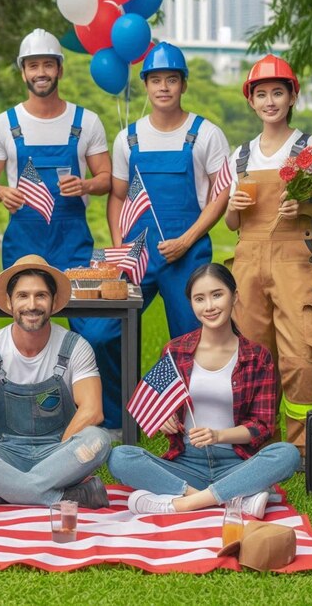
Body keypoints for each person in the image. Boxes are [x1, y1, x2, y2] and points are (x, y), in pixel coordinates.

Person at [0, 28, 116, 428]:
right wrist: (1, 192)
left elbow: (107, 177)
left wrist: (86, 185)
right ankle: (30, 420)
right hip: (23, 241)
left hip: (73, 242)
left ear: (60, 68)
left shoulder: (85, 121)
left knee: (100, 332)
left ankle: (108, 422)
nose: (40, 72)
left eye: (47, 64)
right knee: (28, 334)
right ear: (23, 72)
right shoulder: (3, 124)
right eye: (33, 65)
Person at [98, 42, 231, 433]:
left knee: (197, 340)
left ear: (183, 85)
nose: (163, 87)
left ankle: (200, 424)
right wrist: (122, 245)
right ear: (146, 86)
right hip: (138, 255)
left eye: (171, 79)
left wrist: (187, 240)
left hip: (188, 257)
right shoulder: (129, 138)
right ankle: (118, 418)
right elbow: (118, 195)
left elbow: (220, 195)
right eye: (156, 80)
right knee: (102, 330)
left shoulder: (205, 133)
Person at [108, 263, 300, 518]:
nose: (209, 306)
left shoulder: (257, 356)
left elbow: (262, 426)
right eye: (200, 299)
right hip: (185, 463)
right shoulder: (175, 351)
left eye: (217, 295)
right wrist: (166, 418)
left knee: (287, 454)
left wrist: (217, 436)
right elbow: (156, 402)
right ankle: (228, 498)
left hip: (237, 463)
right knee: (120, 457)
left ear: (235, 296)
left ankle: (185, 503)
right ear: (192, 304)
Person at [225, 55, 312, 456]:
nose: (270, 100)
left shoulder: (310, 148)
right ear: (252, 102)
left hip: (294, 263)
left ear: (292, 97)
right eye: (262, 94)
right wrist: (233, 205)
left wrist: (306, 207)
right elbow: (230, 224)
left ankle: (304, 450)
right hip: (247, 265)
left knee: (302, 355)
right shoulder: (240, 155)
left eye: (278, 92)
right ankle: (260, 444)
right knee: (254, 356)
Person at [0, 255, 112, 511]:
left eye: (41, 296)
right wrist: (2, 462)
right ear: (8, 301)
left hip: (59, 454)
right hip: (5, 453)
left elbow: (93, 411)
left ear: (54, 301)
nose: (32, 305)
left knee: (97, 438)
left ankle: (1, 493)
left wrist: (56, 460)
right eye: (23, 296)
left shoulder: (75, 347)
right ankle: (62, 497)